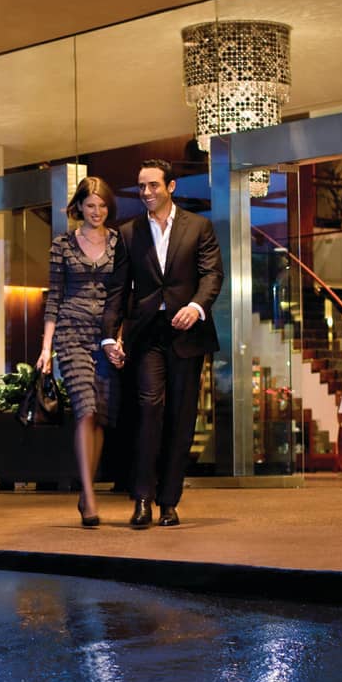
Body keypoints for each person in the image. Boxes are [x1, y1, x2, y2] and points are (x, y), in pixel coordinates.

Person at [102, 159, 224, 528]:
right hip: (147, 333)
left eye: (153, 185)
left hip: (187, 332)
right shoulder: (128, 233)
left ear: (170, 187)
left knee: (181, 417)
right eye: (141, 187)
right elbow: (118, 290)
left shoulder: (199, 227)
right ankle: (142, 498)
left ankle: (169, 501)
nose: (146, 193)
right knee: (148, 409)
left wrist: (196, 307)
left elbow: (212, 275)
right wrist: (110, 334)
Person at [37, 177, 120, 528]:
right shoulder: (62, 244)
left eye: (102, 205)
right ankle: (90, 495)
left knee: (100, 415)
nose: (96, 211)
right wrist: (46, 347)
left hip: (105, 336)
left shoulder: (120, 242)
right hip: (70, 333)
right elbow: (53, 297)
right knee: (85, 409)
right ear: (79, 207)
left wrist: (119, 338)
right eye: (90, 205)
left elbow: (123, 295)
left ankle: (86, 492)